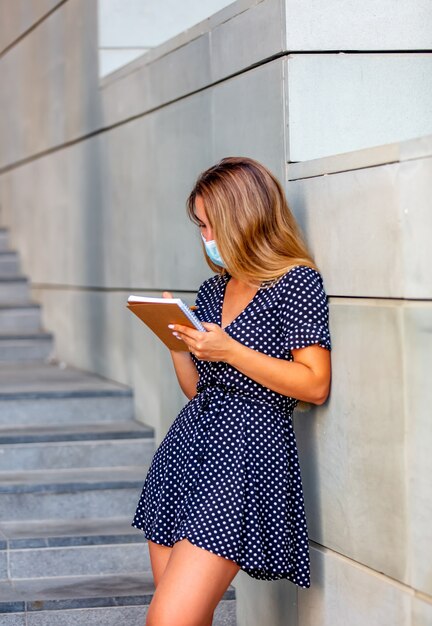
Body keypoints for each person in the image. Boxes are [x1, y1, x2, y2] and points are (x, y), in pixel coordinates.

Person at [131, 156, 332, 626]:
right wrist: (176, 341)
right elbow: (197, 389)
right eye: (200, 226)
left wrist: (230, 350)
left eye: (212, 225)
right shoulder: (213, 288)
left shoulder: (295, 282)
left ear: (245, 218)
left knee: (169, 619)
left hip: (245, 455)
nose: (206, 238)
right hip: (187, 450)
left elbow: (315, 383)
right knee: (183, 616)